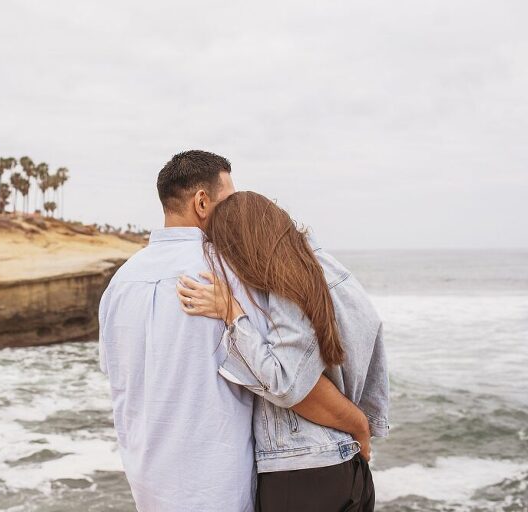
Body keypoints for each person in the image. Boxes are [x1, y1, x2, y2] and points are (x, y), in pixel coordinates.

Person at [98, 150, 372, 512]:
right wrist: (359, 425)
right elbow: (291, 382)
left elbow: (121, 379)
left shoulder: (120, 284)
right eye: (228, 201)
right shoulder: (228, 274)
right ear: (201, 202)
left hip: (150, 490)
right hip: (217, 489)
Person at [176, 190, 390, 511]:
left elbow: (286, 382)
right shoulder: (332, 270)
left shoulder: (287, 280)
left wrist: (233, 313)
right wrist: (362, 427)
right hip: (348, 467)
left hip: (301, 473)